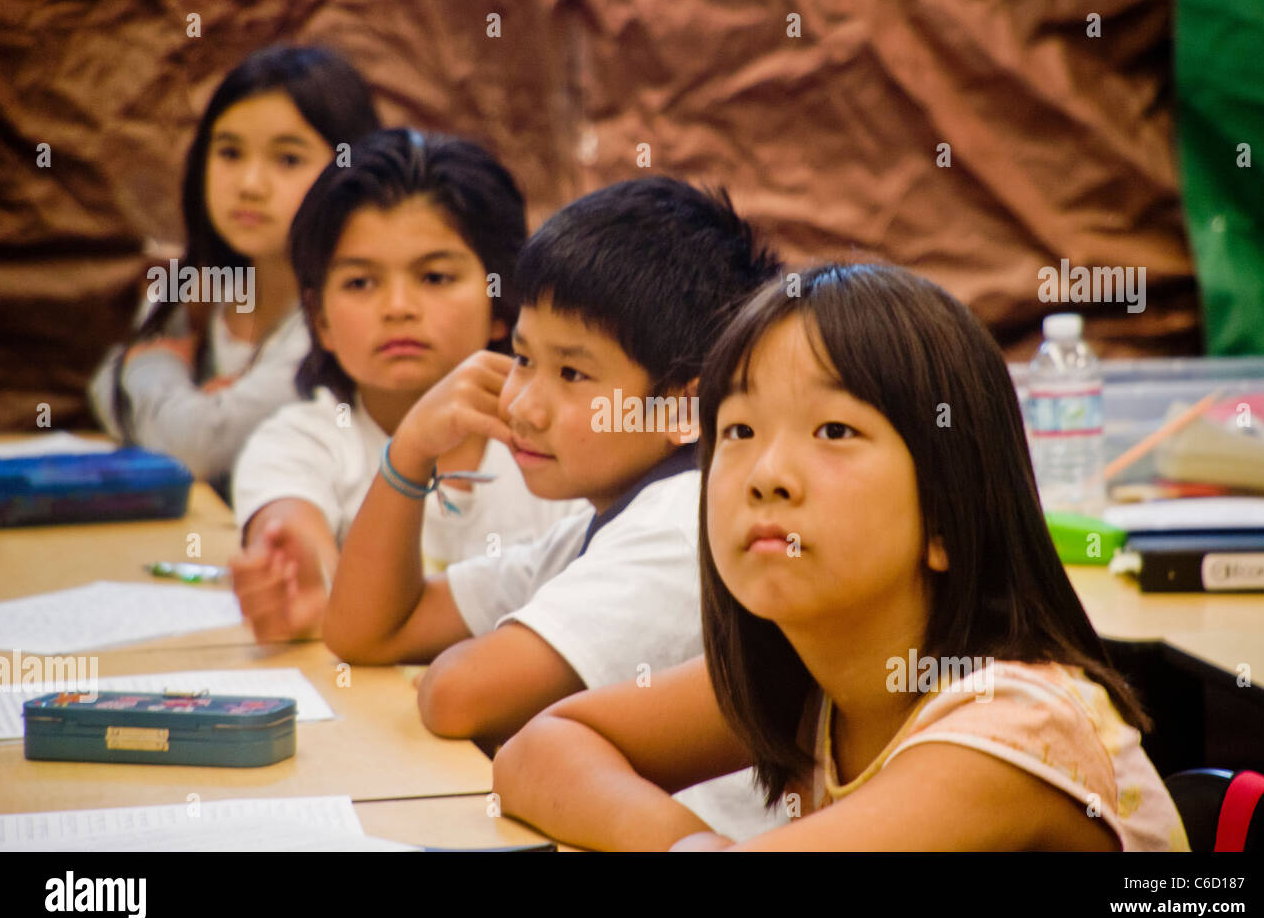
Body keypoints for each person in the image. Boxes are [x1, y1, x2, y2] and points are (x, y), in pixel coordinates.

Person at [492, 263, 1190, 851]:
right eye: (738, 429)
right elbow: (538, 748)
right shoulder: (810, 668)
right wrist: (690, 844)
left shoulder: (1012, 723)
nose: (768, 473)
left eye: (833, 429)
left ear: (947, 515)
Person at [324, 176, 784, 838]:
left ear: (684, 407)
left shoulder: (683, 521)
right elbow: (369, 630)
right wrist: (410, 451)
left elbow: (460, 695)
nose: (521, 405)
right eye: (521, 358)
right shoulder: (604, 516)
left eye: (572, 374)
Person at [230, 129, 585, 643]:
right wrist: (300, 576)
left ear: (501, 301)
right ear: (319, 317)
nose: (398, 307)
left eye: (435, 277)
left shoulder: (569, 441)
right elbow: (290, 527)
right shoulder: (301, 440)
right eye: (360, 283)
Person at [88, 45, 379, 493]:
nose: (249, 185)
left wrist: (157, 370)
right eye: (229, 153)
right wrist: (187, 409)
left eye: (287, 159)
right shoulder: (198, 289)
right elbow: (103, 386)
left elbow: (199, 449)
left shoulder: (341, 315)